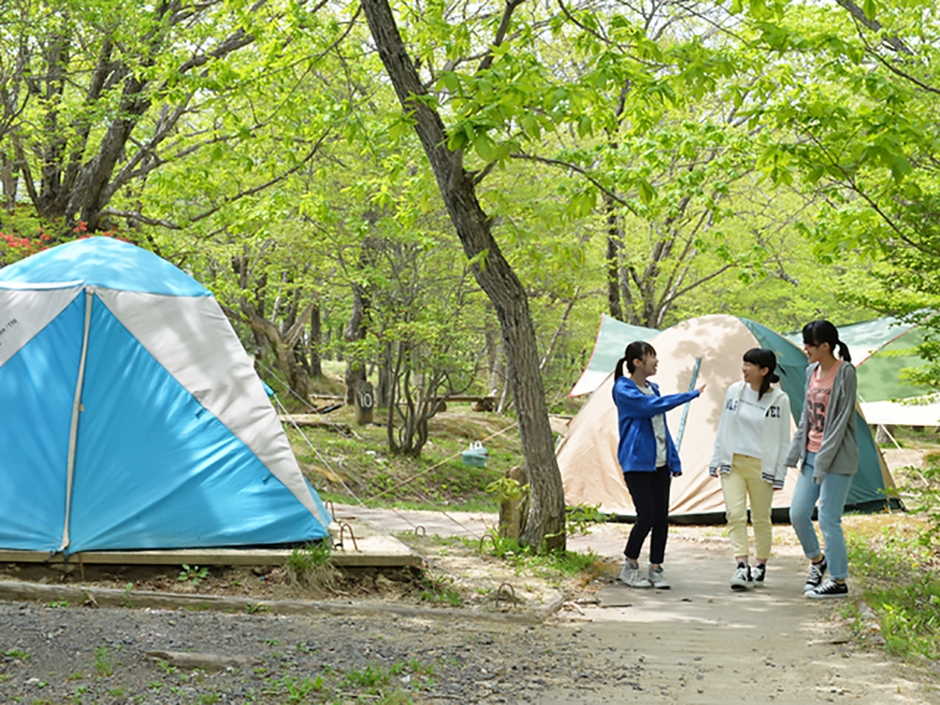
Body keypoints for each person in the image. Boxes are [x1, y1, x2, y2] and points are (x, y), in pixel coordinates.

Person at [613, 341, 705, 589]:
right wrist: (689, 395)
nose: (656, 361)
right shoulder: (623, 388)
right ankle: (630, 565)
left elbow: (661, 428)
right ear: (637, 362)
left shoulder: (653, 388)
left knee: (661, 518)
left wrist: (673, 459)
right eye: (652, 357)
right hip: (637, 462)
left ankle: (656, 568)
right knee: (646, 516)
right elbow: (649, 408)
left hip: (660, 463)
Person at [786, 320, 858, 599]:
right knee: (798, 514)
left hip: (838, 456)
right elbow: (806, 414)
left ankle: (839, 582)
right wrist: (796, 450)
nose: (805, 349)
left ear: (825, 346)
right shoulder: (810, 371)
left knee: (829, 518)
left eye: (809, 344)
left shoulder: (845, 373)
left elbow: (840, 422)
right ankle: (818, 561)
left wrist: (824, 457)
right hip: (811, 453)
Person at [709, 348, 790, 591]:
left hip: (761, 466)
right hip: (733, 462)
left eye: (750, 365)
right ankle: (741, 565)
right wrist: (716, 459)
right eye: (743, 363)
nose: (744, 369)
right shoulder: (735, 391)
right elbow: (724, 425)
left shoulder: (779, 400)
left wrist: (780, 473)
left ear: (764, 371)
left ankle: (760, 565)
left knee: (761, 517)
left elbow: (784, 439)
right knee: (735, 514)